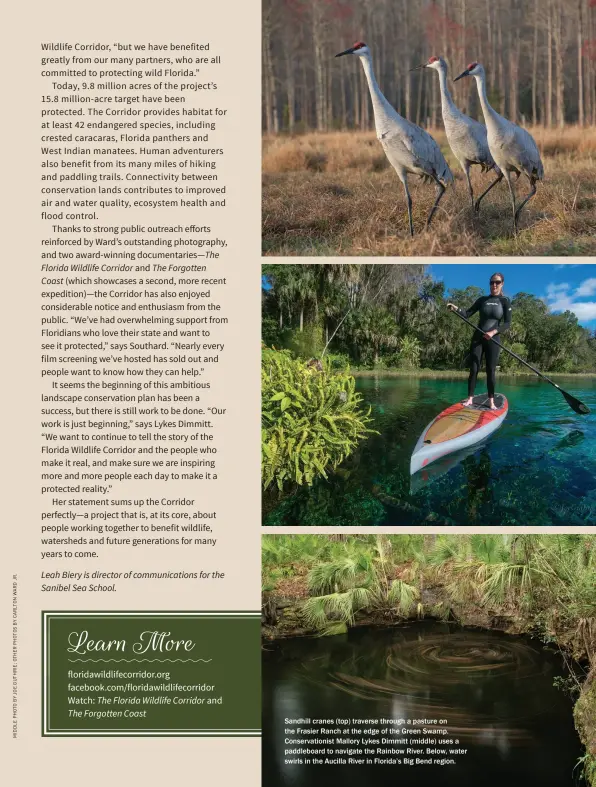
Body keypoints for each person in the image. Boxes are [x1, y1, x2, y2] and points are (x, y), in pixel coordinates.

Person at [447, 273, 512, 410]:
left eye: (497, 282)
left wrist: (493, 332)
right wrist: (456, 308)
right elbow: (467, 313)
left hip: (493, 339)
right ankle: (470, 399)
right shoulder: (482, 300)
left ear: (502, 284)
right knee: (474, 368)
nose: (494, 285)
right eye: (492, 282)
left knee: (490, 370)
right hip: (478, 337)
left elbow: (507, 324)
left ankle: (491, 401)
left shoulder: (505, 301)